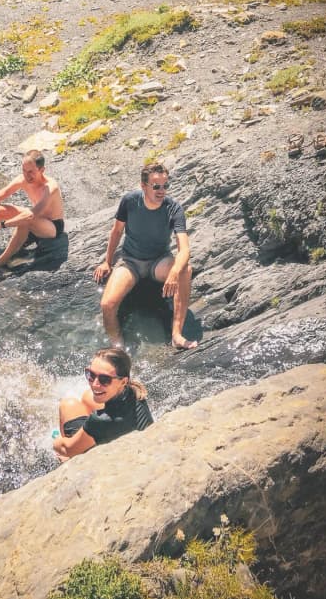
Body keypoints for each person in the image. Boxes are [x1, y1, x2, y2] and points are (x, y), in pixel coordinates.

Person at [93, 162, 197, 349]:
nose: (161, 190)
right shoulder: (130, 201)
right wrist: (107, 262)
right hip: (130, 262)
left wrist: (174, 273)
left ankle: (176, 334)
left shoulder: (174, 209)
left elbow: (185, 249)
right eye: (156, 186)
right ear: (144, 186)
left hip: (158, 262)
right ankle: (118, 347)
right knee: (107, 305)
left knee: (185, 270)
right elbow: (116, 232)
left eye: (166, 185)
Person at [53, 347, 153, 460]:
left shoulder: (100, 421)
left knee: (68, 404)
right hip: (131, 444)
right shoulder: (135, 392)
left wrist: (56, 442)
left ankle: (68, 459)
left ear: (123, 381)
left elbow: (66, 448)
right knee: (88, 396)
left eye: (104, 379)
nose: (95, 384)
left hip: (111, 460)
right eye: (91, 374)